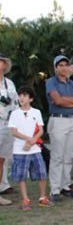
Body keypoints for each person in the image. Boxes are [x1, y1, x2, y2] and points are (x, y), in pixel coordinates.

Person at [46, 55, 73, 202]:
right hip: (58, 120)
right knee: (57, 156)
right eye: (60, 65)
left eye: (65, 65)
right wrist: (71, 102)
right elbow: (57, 100)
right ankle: (55, 189)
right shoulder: (51, 82)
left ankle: (65, 185)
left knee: (69, 156)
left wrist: (66, 101)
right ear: (56, 68)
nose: (63, 67)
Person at [8, 86, 52, 210]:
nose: (21, 98)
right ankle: (25, 200)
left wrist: (33, 141)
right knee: (21, 176)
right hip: (20, 149)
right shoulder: (15, 113)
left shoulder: (36, 112)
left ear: (31, 99)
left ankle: (42, 198)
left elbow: (41, 130)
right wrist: (28, 139)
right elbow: (14, 131)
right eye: (20, 95)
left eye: (25, 96)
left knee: (42, 173)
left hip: (35, 148)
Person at [0, 53, 18, 206]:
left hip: (6, 124)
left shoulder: (9, 83)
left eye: (2, 61)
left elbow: (15, 104)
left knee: (1, 160)